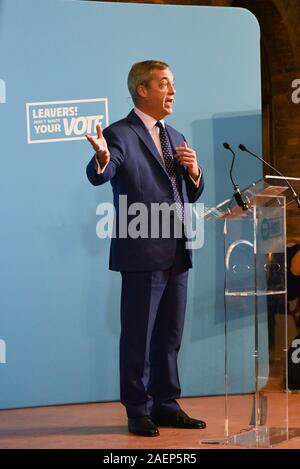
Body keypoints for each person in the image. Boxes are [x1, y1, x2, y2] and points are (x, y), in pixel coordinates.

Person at [86, 60, 205, 437]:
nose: (172, 91)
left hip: (178, 250)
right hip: (141, 252)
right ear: (142, 89)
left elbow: (190, 191)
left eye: (173, 84)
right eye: (164, 84)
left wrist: (195, 172)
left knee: (170, 335)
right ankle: (138, 409)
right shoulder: (119, 134)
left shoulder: (177, 136)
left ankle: (166, 404)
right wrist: (102, 158)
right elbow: (103, 169)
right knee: (139, 334)